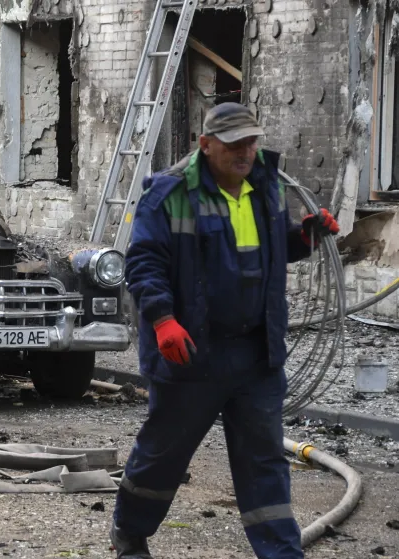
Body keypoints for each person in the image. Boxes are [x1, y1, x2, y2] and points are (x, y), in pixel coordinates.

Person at [110, 102, 340, 559]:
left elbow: (269, 250)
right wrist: (161, 319)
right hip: (192, 351)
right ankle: (129, 532)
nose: (246, 151)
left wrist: (305, 237)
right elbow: (143, 261)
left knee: (264, 462)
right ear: (206, 145)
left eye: (251, 141)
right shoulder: (171, 193)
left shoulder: (265, 186)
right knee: (164, 455)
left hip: (255, 353)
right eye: (234, 143)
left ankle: (280, 552)